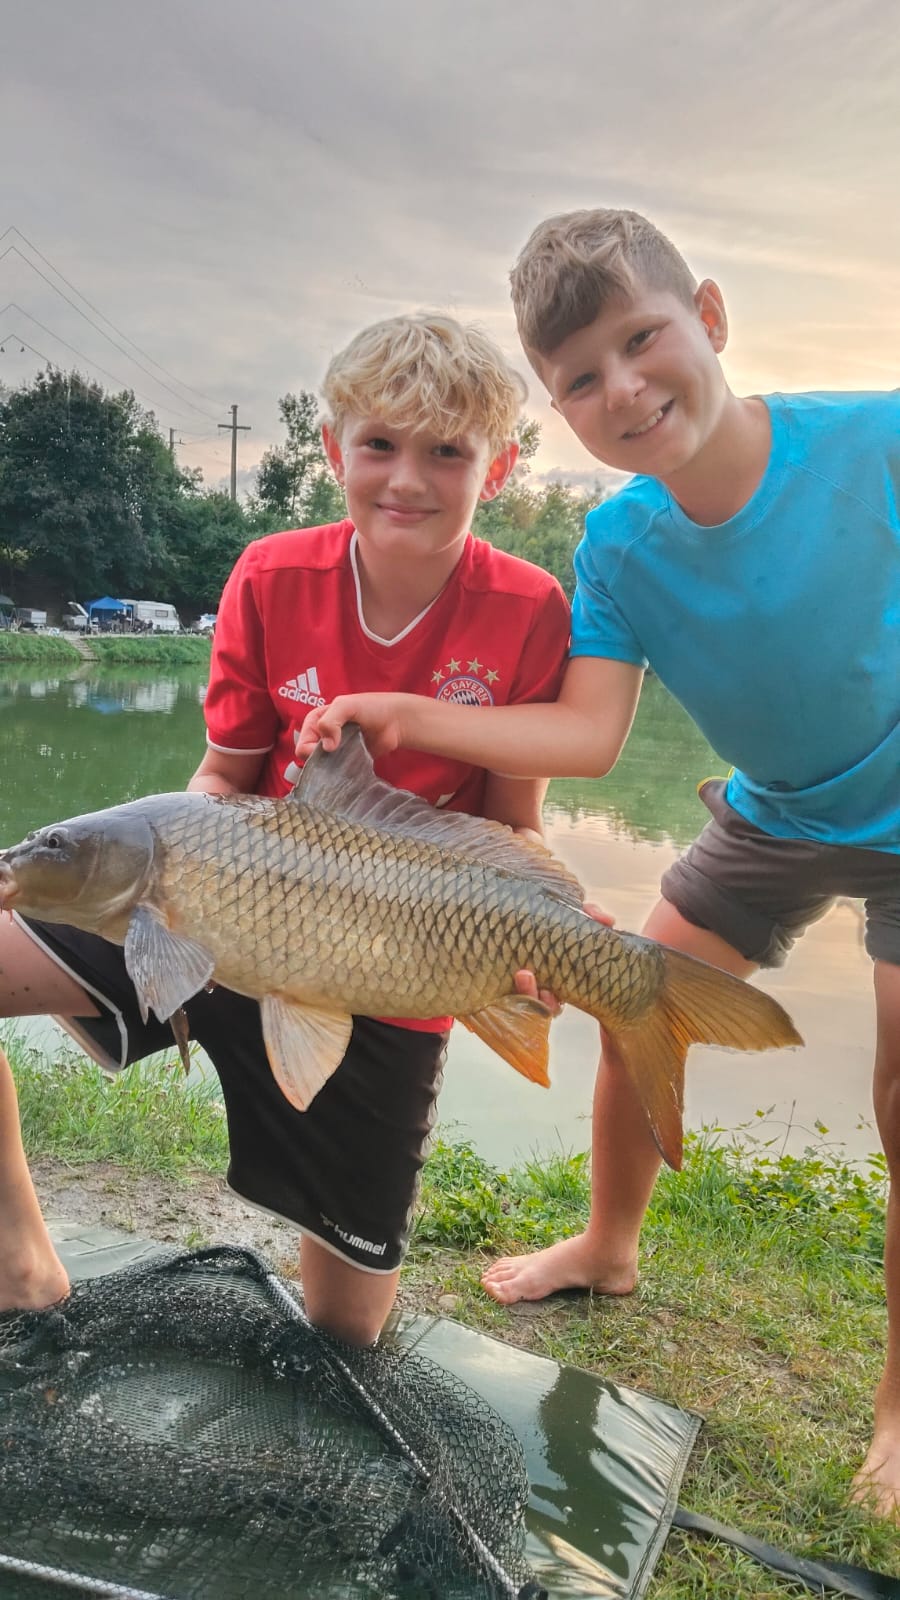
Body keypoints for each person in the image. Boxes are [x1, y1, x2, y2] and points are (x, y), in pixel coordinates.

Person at [296, 210, 900, 1514]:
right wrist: (405, 716)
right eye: (580, 377)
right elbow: (587, 734)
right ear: (557, 406)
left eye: (643, 340)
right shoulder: (618, 544)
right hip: (774, 811)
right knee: (637, 996)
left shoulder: (878, 439)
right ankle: (609, 1247)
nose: (621, 389)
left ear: (711, 318)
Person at [0, 312, 578, 1348]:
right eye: (380, 444)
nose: (407, 478)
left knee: (345, 1330)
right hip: (215, 913)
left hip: (396, 959)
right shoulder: (270, 575)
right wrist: (178, 894)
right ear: (332, 451)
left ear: (497, 469)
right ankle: (18, 1261)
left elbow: (511, 824)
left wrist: (547, 933)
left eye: (447, 452)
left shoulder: (530, 608)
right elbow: (221, 777)